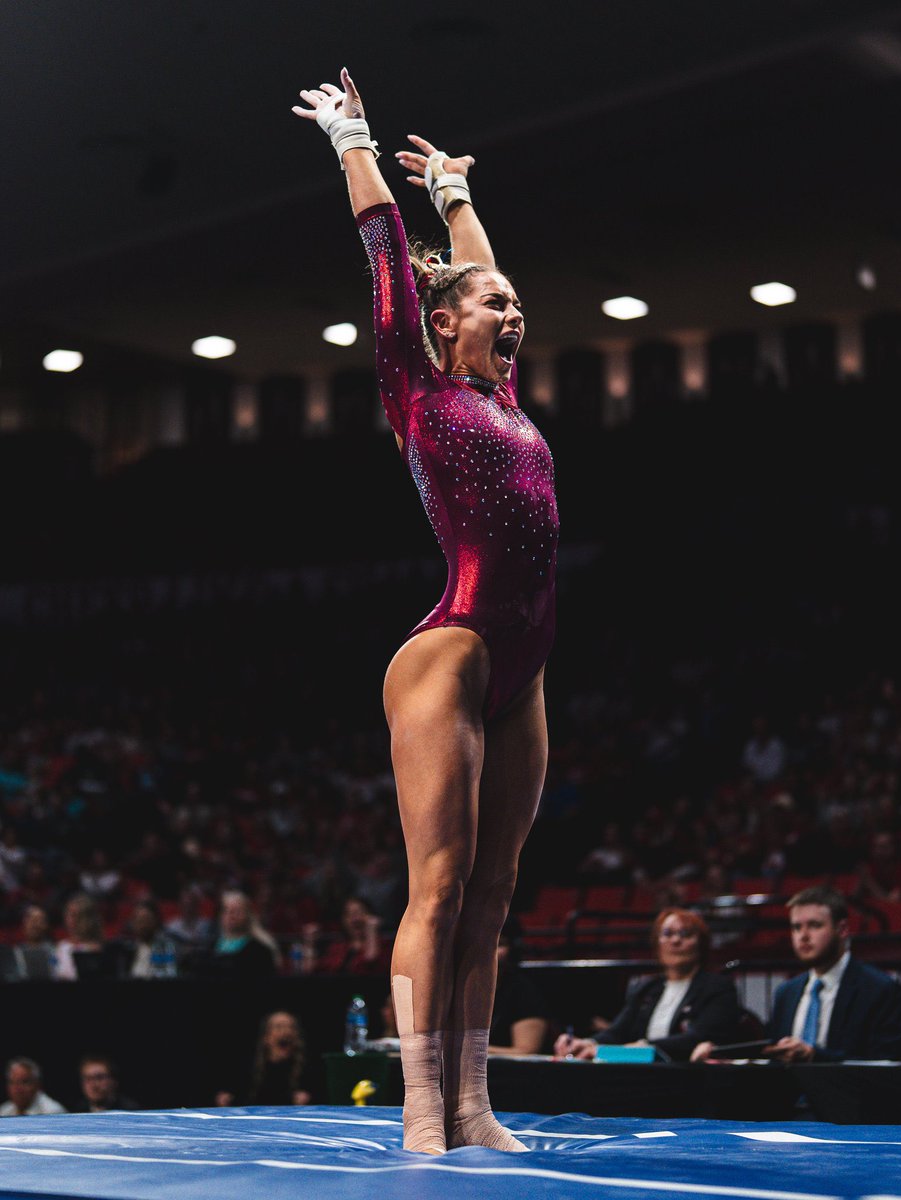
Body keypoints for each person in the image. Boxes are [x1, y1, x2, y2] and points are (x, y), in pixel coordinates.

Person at [293, 69, 558, 1154]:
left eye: (515, 303)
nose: (513, 310)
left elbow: (478, 265)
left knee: (495, 896)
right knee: (440, 888)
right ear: (443, 323)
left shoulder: (498, 396)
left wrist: (456, 189)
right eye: (495, 303)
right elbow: (390, 262)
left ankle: (473, 1099)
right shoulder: (419, 384)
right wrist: (353, 140)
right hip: (448, 652)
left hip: (525, 667)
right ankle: (417, 1105)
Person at [693, 885, 901, 1063]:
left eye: (814, 926)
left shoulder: (879, 990)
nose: (803, 936)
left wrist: (814, 1056)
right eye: (796, 928)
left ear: (843, 929)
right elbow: (771, 1054)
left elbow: (885, 1065)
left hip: (849, 1110)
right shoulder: (787, 992)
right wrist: (725, 1056)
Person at [554, 908, 740, 1062]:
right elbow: (617, 1032)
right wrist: (587, 1043)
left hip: (686, 1072)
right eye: (667, 934)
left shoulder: (717, 987)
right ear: (657, 944)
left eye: (685, 934)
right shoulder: (647, 988)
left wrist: (645, 1046)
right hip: (640, 1070)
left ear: (701, 944)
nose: (675, 940)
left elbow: (699, 1036)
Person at [215, 1011, 313, 1107]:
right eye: (279, 1027)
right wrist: (225, 1098)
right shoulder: (249, 1067)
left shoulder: (307, 1067)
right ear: (266, 1036)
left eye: (291, 1027)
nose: (286, 1032)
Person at [489, 917, 549, 1055]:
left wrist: (470, 1051)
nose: (489, 951)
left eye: (500, 944)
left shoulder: (523, 991)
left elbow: (527, 1052)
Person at [206, 891, 279, 977]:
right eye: (226, 910)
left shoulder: (260, 950)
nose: (230, 915)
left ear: (248, 915)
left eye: (236, 911)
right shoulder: (212, 946)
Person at [315, 896, 390, 974]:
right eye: (348, 914)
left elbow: (372, 964)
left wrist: (371, 933)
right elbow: (318, 971)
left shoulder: (383, 944)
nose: (355, 918)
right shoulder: (337, 947)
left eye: (360, 912)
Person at [121, 899, 179, 978]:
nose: (143, 925)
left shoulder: (164, 946)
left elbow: (166, 977)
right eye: (139, 921)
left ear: (156, 921)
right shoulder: (128, 948)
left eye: (147, 920)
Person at [1, 1058, 66, 1117]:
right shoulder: (3, 1112)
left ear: (37, 1085)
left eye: (24, 1082)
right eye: (13, 1082)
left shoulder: (53, 1112)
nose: (18, 1089)